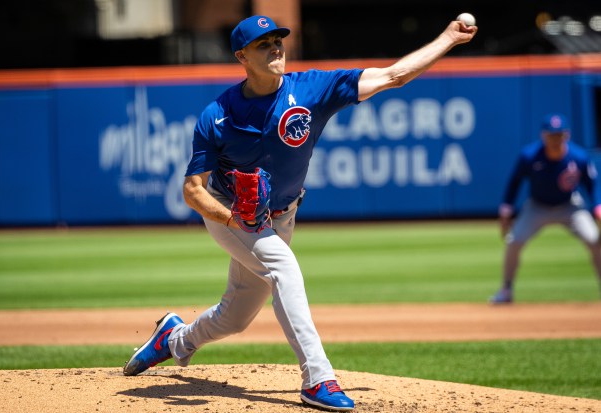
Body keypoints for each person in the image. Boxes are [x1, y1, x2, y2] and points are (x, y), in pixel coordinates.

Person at [123, 14, 477, 411]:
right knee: (284, 269)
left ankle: (174, 339)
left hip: (282, 215)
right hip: (230, 213)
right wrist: (231, 218)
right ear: (242, 55)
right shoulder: (218, 115)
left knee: (235, 316)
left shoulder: (312, 88)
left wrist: (447, 38)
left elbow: (393, 75)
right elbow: (192, 190)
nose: (276, 47)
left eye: (278, 40)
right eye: (263, 44)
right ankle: (317, 378)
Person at [490, 113, 601, 304]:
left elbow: (593, 184)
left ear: (567, 135)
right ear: (543, 136)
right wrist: (506, 209)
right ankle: (506, 290)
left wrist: (598, 205)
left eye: (558, 135)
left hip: (570, 206)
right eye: (551, 135)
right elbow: (514, 182)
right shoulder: (530, 156)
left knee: (594, 240)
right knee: (514, 242)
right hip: (537, 206)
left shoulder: (579, 157)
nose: (555, 140)